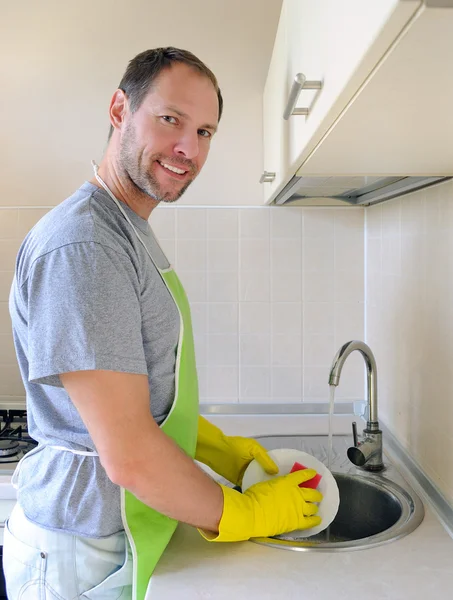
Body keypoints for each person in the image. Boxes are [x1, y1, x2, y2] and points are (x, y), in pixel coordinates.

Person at [4, 47, 322, 600]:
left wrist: (214, 445)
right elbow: (128, 453)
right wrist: (244, 512)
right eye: (171, 119)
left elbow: (134, 394)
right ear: (119, 109)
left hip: (111, 533)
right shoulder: (87, 245)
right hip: (80, 549)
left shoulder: (125, 227)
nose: (188, 149)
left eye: (204, 131)